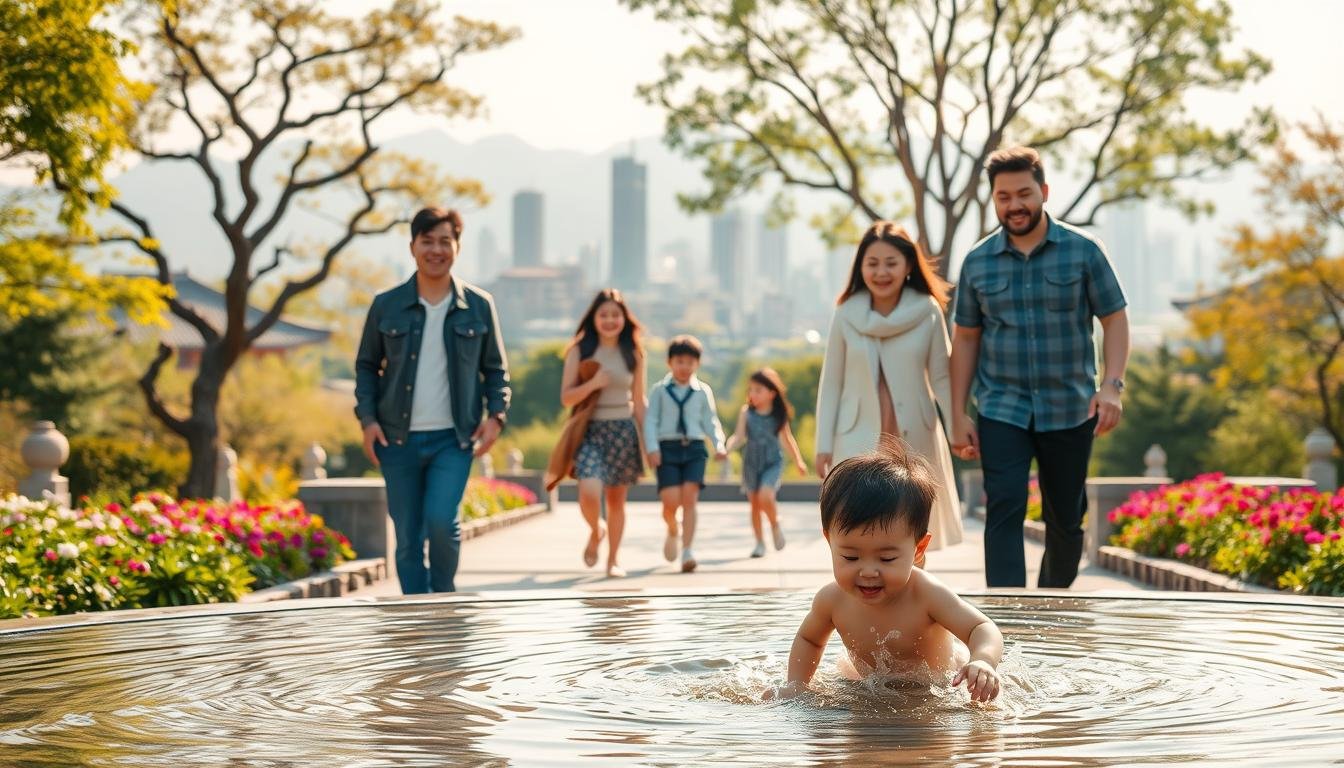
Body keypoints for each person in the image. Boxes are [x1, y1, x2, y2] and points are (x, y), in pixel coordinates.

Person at [949, 146, 1130, 588]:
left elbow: (1115, 319)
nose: (1015, 205)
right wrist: (956, 413)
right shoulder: (977, 262)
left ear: (1044, 191)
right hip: (1001, 407)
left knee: (1066, 519)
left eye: (1024, 193)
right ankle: (1009, 620)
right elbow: (966, 338)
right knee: (1004, 507)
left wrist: (1111, 386)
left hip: (1069, 407)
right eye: (1004, 196)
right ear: (993, 200)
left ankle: (1053, 608)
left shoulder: (1084, 252)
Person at [354, 206, 509, 594]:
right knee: (407, 536)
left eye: (445, 241)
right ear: (412, 247)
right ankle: (415, 613)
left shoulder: (478, 305)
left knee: (442, 522)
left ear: (457, 247)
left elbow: (496, 371)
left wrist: (497, 417)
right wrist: (368, 420)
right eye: (428, 241)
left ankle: (441, 603)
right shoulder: (386, 305)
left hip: (454, 438)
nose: (436, 250)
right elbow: (366, 366)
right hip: (396, 438)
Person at [775, 441, 1003, 702]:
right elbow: (809, 639)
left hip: (934, 691)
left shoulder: (927, 594)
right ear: (830, 542)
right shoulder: (831, 600)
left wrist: (983, 661)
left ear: (918, 548)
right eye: (850, 556)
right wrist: (796, 685)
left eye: (886, 558)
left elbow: (981, 627)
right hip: (869, 687)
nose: (869, 571)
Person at [814, 221, 965, 557]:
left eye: (891, 263)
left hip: (915, 432)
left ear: (909, 265)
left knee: (914, 523)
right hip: (855, 434)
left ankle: (915, 601)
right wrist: (823, 443)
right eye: (872, 263)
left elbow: (942, 377)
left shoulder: (926, 310)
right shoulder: (846, 312)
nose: (881, 272)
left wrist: (958, 430)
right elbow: (832, 382)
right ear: (860, 267)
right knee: (854, 520)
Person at [559, 289, 648, 578]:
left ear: (624, 319)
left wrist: (650, 444)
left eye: (615, 315)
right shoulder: (580, 350)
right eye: (604, 315)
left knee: (616, 501)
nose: (610, 320)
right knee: (588, 490)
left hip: (622, 430)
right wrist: (593, 383)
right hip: (590, 431)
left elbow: (639, 400)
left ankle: (613, 560)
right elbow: (567, 397)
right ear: (594, 318)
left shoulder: (633, 353)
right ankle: (596, 529)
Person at [643, 335, 727, 573]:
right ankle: (672, 529)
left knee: (689, 499)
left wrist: (718, 444)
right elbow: (651, 421)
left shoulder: (702, 391)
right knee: (670, 502)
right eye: (680, 361)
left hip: (694, 448)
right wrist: (652, 448)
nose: (685, 367)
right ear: (670, 363)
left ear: (697, 364)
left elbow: (710, 420)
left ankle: (688, 550)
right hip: (666, 448)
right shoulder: (659, 390)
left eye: (690, 362)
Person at [725, 368, 807, 558]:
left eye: (758, 390)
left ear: (771, 393)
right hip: (752, 463)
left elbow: (787, 439)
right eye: (751, 389)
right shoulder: (747, 413)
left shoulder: (779, 415)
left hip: (772, 461)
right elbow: (739, 436)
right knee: (754, 505)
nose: (752, 394)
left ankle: (774, 523)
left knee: (765, 495)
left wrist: (798, 461)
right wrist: (727, 448)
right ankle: (759, 542)